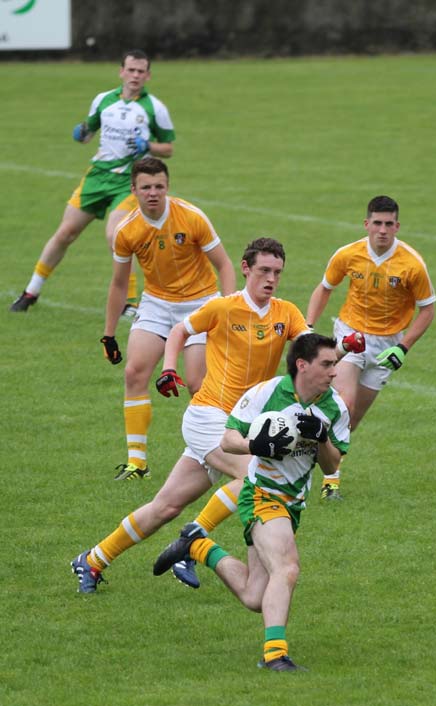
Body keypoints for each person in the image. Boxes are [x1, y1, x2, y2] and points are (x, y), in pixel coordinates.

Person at [70, 238, 361, 594]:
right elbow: (179, 330)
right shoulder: (222, 307)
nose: (271, 279)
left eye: (277, 272)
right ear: (245, 269)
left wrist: (346, 346)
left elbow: (315, 353)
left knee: (166, 505)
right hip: (209, 416)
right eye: (264, 271)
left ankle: (94, 559)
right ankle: (193, 540)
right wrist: (169, 367)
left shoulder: (286, 313)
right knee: (255, 478)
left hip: (244, 422)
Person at [153, 334, 350, 671]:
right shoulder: (265, 393)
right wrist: (258, 445)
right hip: (261, 494)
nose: (334, 372)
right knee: (286, 567)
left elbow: (332, 465)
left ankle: (196, 546)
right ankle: (275, 656)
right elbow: (228, 440)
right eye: (327, 364)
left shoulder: (334, 407)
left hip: (294, 503)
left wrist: (320, 437)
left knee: (254, 596)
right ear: (303, 365)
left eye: (335, 364)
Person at [10, 49, 175, 315]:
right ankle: (31, 291)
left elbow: (168, 148)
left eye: (140, 71)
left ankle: (130, 303)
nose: (135, 75)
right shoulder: (103, 100)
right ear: (121, 71)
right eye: (130, 70)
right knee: (65, 233)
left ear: (148, 75)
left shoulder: (154, 108)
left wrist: (148, 145)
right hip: (97, 176)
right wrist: (81, 133)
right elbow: (87, 133)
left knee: (116, 234)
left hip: (129, 181)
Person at [99, 157, 235, 480]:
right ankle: (137, 463)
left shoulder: (191, 217)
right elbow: (119, 283)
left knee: (198, 383)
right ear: (133, 190)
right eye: (146, 187)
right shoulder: (127, 230)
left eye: (159, 186)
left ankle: (216, 453)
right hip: (157, 304)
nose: (153, 193)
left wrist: (227, 311)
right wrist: (108, 333)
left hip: (201, 303)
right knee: (134, 372)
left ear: (167, 187)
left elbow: (225, 266)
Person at [306, 195, 436, 500]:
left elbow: (428, 310)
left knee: (352, 420)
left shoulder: (412, 264)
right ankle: (330, 482)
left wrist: (403, 347)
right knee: (345, 404)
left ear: (397, 226)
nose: (382, 230)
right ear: (366, 224)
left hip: (388, 345)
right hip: (352, 336)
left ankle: (322, 457)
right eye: (377, 223)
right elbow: (325, 288)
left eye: (388, 224)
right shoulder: (348, 254)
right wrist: (308, 327)